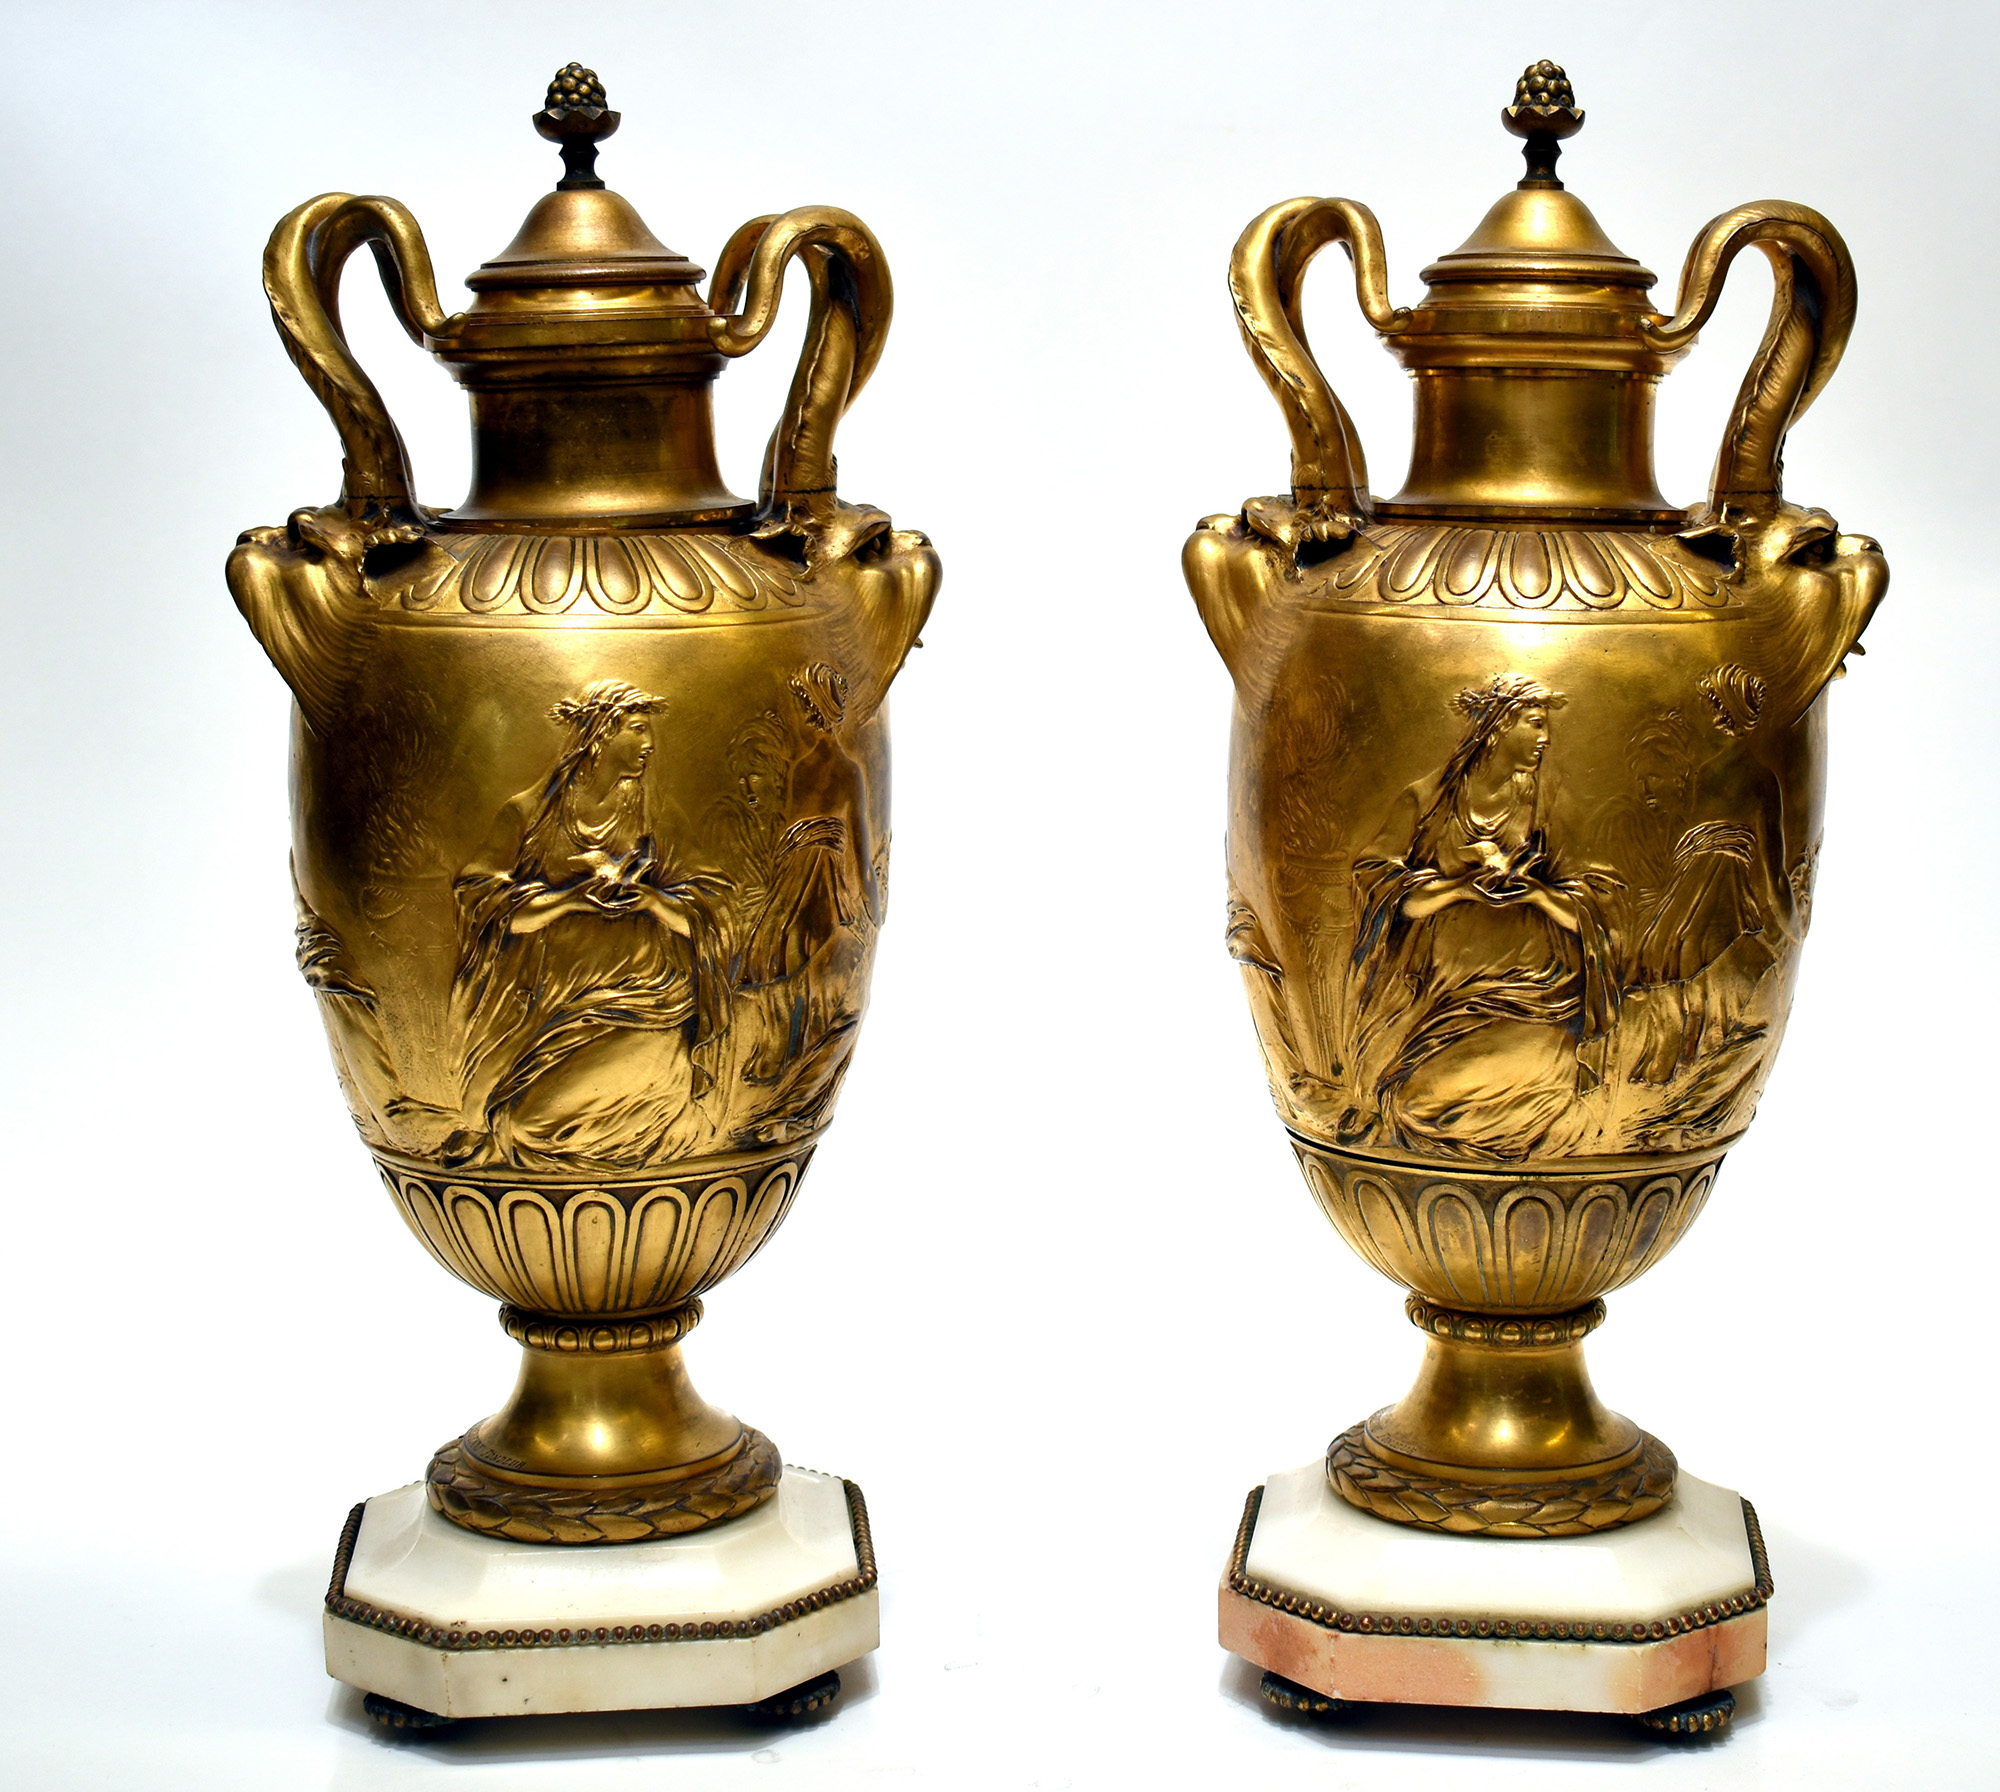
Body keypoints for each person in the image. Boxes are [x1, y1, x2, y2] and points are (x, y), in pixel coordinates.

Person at [448, 680, 731, 1170]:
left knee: (529, 1128)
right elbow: (483, 905)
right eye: (637, 729)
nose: (649, 744)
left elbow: (714, 905)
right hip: (547, 1010)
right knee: (523, 1122)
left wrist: (652, 900)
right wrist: (567, 901)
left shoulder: (655, 814)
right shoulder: (530, 816)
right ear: (601, 733)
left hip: (648, 1003)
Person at [1340, 674, 1616, 1160]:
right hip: (1439, 1000)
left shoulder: (1546, 802)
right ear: (1499, 725)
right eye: (1535, 723)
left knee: (1419, 1110)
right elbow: (1380, 885)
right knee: (1410, 1104)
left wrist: (1537, 894)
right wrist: (1458, 888)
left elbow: (1595, 905)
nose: (1546, 738)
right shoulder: (1427, 802)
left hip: (1537, 999)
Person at [736, 663, 878, 1104]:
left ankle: (781, 1056)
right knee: (810, 964)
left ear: (813, 709)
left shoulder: (808, 767)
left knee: (789, 959)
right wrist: (871, 898)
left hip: (804, 877)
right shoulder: (846, 768)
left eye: (802, 707)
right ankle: (788, 1055)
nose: (799, 715)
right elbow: (858, 839)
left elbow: (794, 832)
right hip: (821, 875)